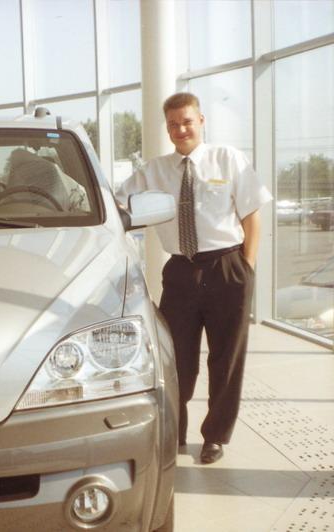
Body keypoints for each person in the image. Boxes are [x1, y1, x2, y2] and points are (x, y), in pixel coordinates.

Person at [115, 92, 272, 464]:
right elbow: (116, 202)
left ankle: (215, 436)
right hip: (181, 271)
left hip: (227, 267)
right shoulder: (154, 171)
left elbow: (252, 216)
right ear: (167, 128)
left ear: (201, 120)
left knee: (226, 359)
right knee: (176, 358)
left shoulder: (228, 159)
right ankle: (176, 431)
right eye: (173, 124)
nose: (180, 129)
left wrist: (247, 268)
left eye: (187, 121)